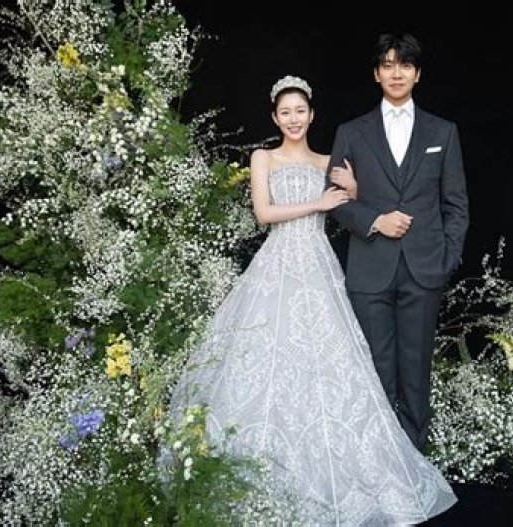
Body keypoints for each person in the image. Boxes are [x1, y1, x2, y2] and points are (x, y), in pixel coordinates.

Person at [165, 75, 457, 525]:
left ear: (312, 114)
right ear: (274, 117)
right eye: (285, 112)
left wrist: (353, 191)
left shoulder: (327, 161)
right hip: (277, 262)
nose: (293, 119)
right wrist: (318, 203)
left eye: (300, 111)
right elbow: (264, 213)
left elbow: (352, 205)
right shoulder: (263, 157)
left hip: (319, 263)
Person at [327, 33, 469, 452]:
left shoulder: (443, 132)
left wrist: (447, 259)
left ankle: (413, 460)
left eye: (404, 65)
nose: (396, 73)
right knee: (376, 368)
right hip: (370, 267)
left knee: (416, 368)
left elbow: (456, 205)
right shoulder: (351, 132)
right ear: (376, 74)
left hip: (424, 268)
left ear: (417, 74)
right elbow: (333, 199)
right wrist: (375, 220)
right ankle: (378, 458)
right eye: (387, 65)